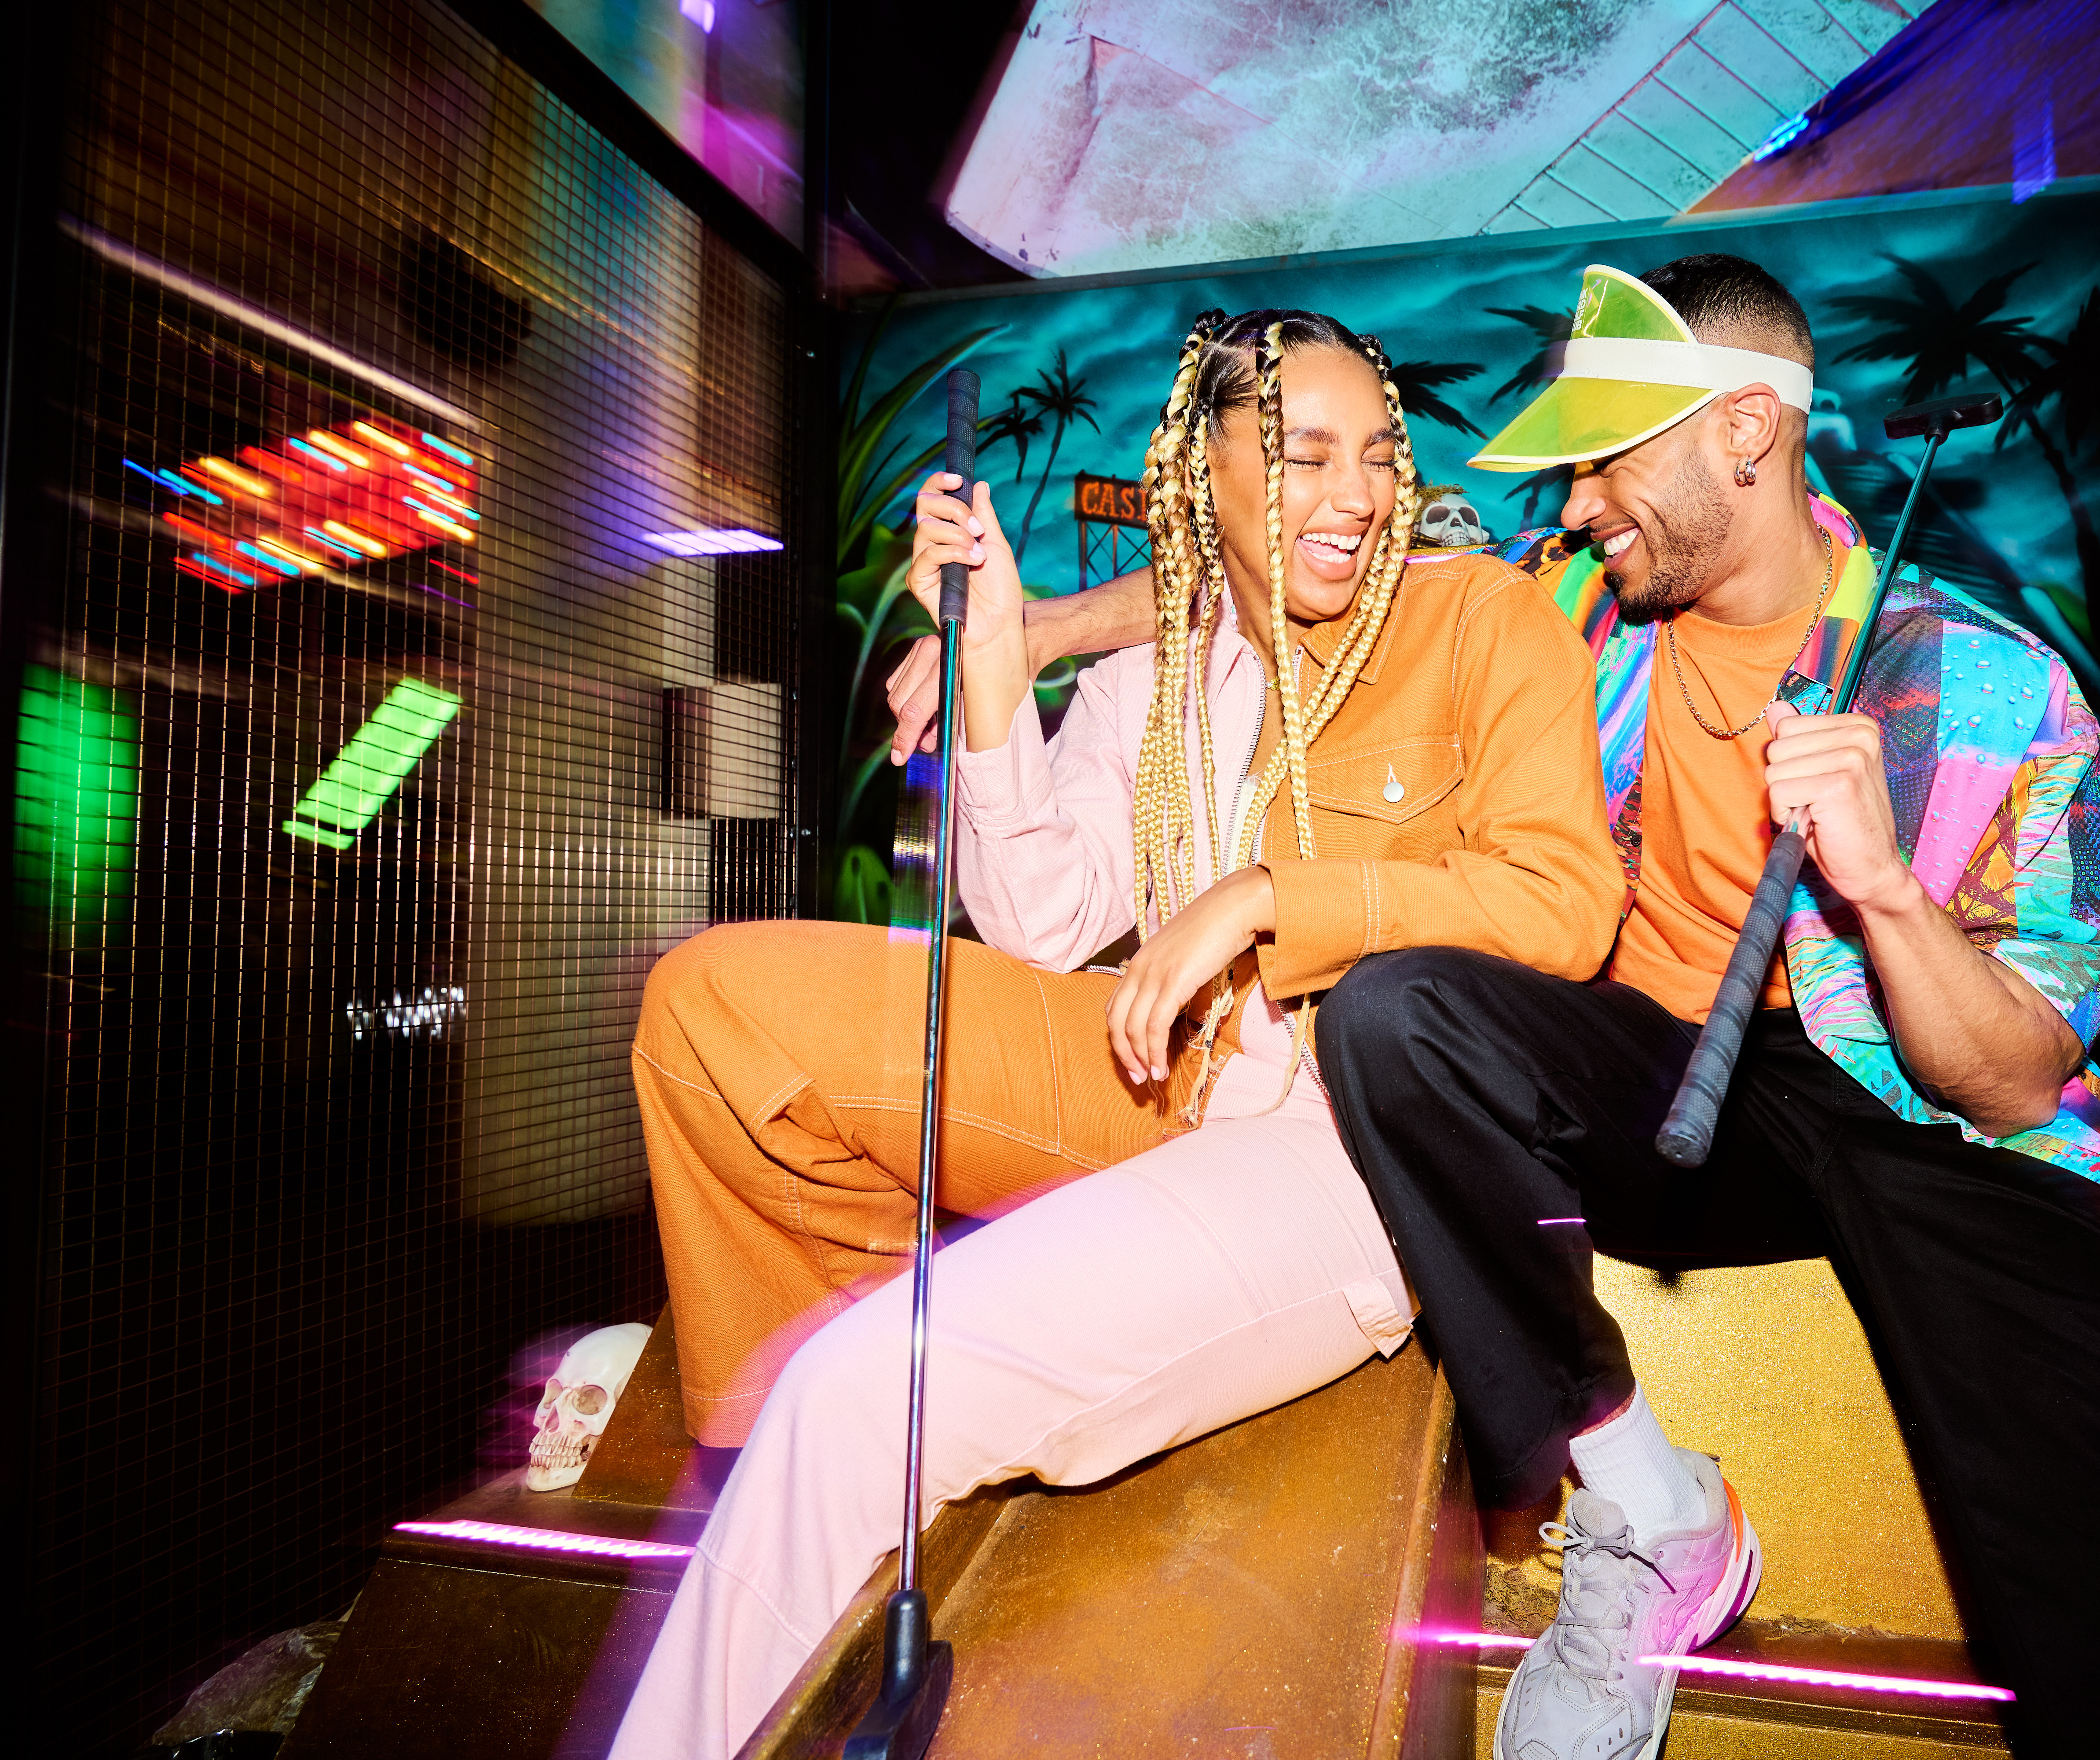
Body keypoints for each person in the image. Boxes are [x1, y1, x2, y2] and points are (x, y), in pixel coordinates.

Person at [904, 258, 2100, 1760]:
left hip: (1904, 1100)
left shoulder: (1986, 685)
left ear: (1745, 437)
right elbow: (1291, 562)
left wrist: (1890, 892)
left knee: (2095, 1485)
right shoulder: (1578, 615)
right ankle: (1646, 1515)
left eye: (1609, 464)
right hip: (1649, 1082)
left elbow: (2019, 1081)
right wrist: (1029, 635)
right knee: (1395, 1014)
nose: (1575, 505)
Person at [609, 308, 1625, 1758]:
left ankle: (836, 1449)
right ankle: (786, 1466)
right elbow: (1037, 918)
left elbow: (1564, 906)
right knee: (713, 1006)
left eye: (1381, 458)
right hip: (1144, 1077)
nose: (1358, 495)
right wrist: (999, 662)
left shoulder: (1476, 623)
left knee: (865, 1396)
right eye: (1305, 455)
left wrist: (1276, 898)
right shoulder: (1148, 672)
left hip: (1342, 1148)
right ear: (1201, 479)